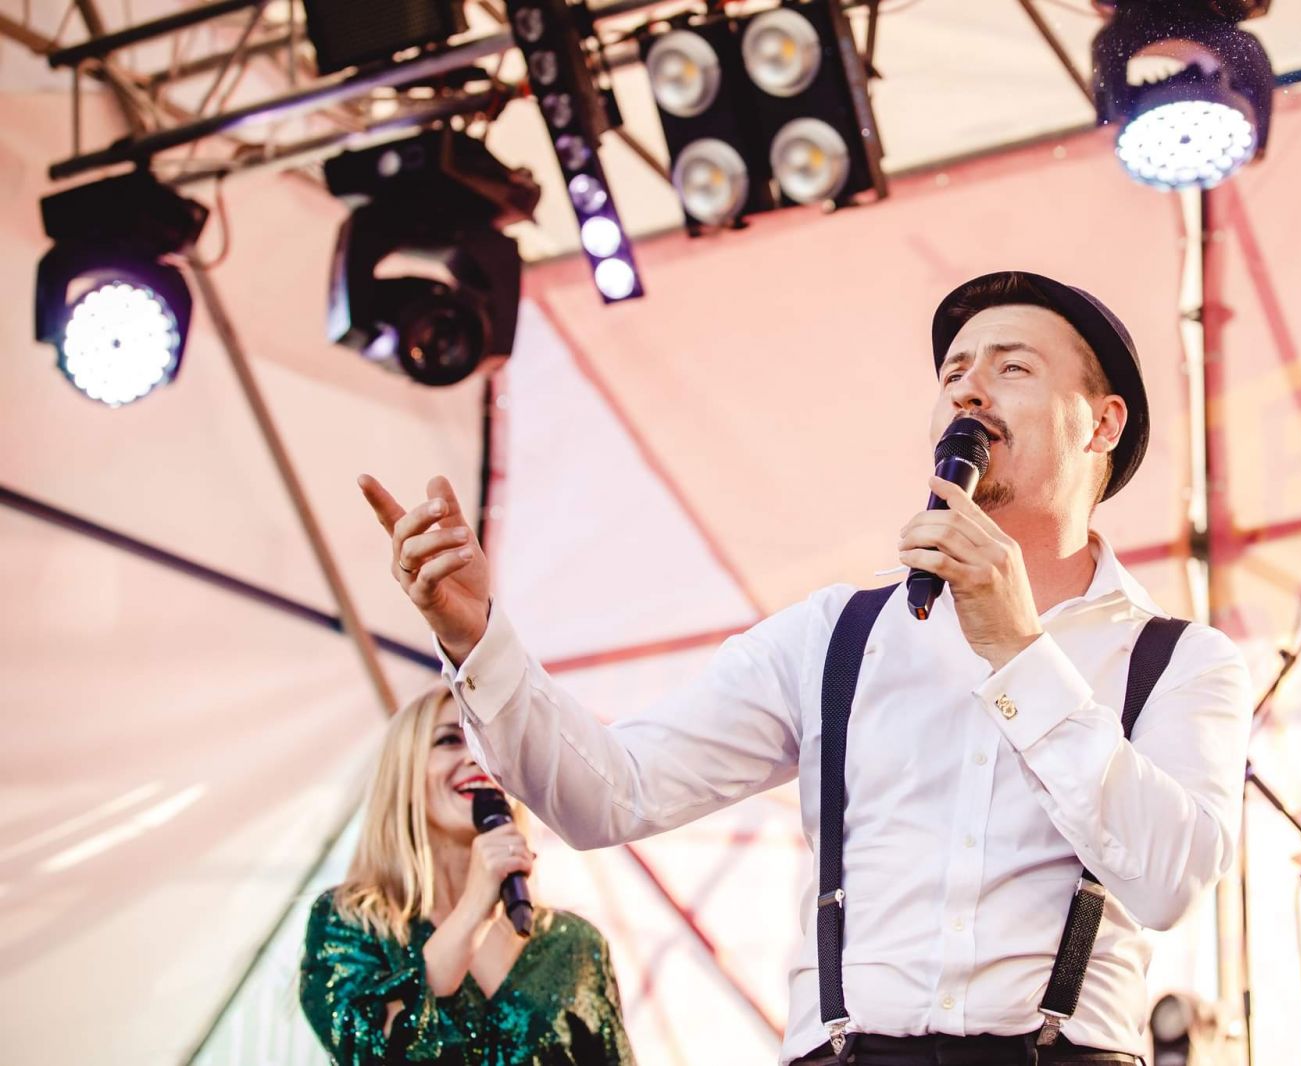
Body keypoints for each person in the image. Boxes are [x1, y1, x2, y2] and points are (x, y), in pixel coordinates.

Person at [359, 271, 1252, 1065]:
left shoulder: (1183, 662)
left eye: (1012, 367)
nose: (969, 389)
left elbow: (1170, 879)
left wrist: (1019, 652)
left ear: (1103, 422)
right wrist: (476, 637)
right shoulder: (836, 635)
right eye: (953, 373)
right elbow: (609, 793)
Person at [299, 687, 634, 1066]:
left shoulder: (572, 944)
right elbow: (371, 1051)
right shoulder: (350, 923)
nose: (477, 757)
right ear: (403, 774)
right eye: (449, 740)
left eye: (490, 745)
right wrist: (474, 909)